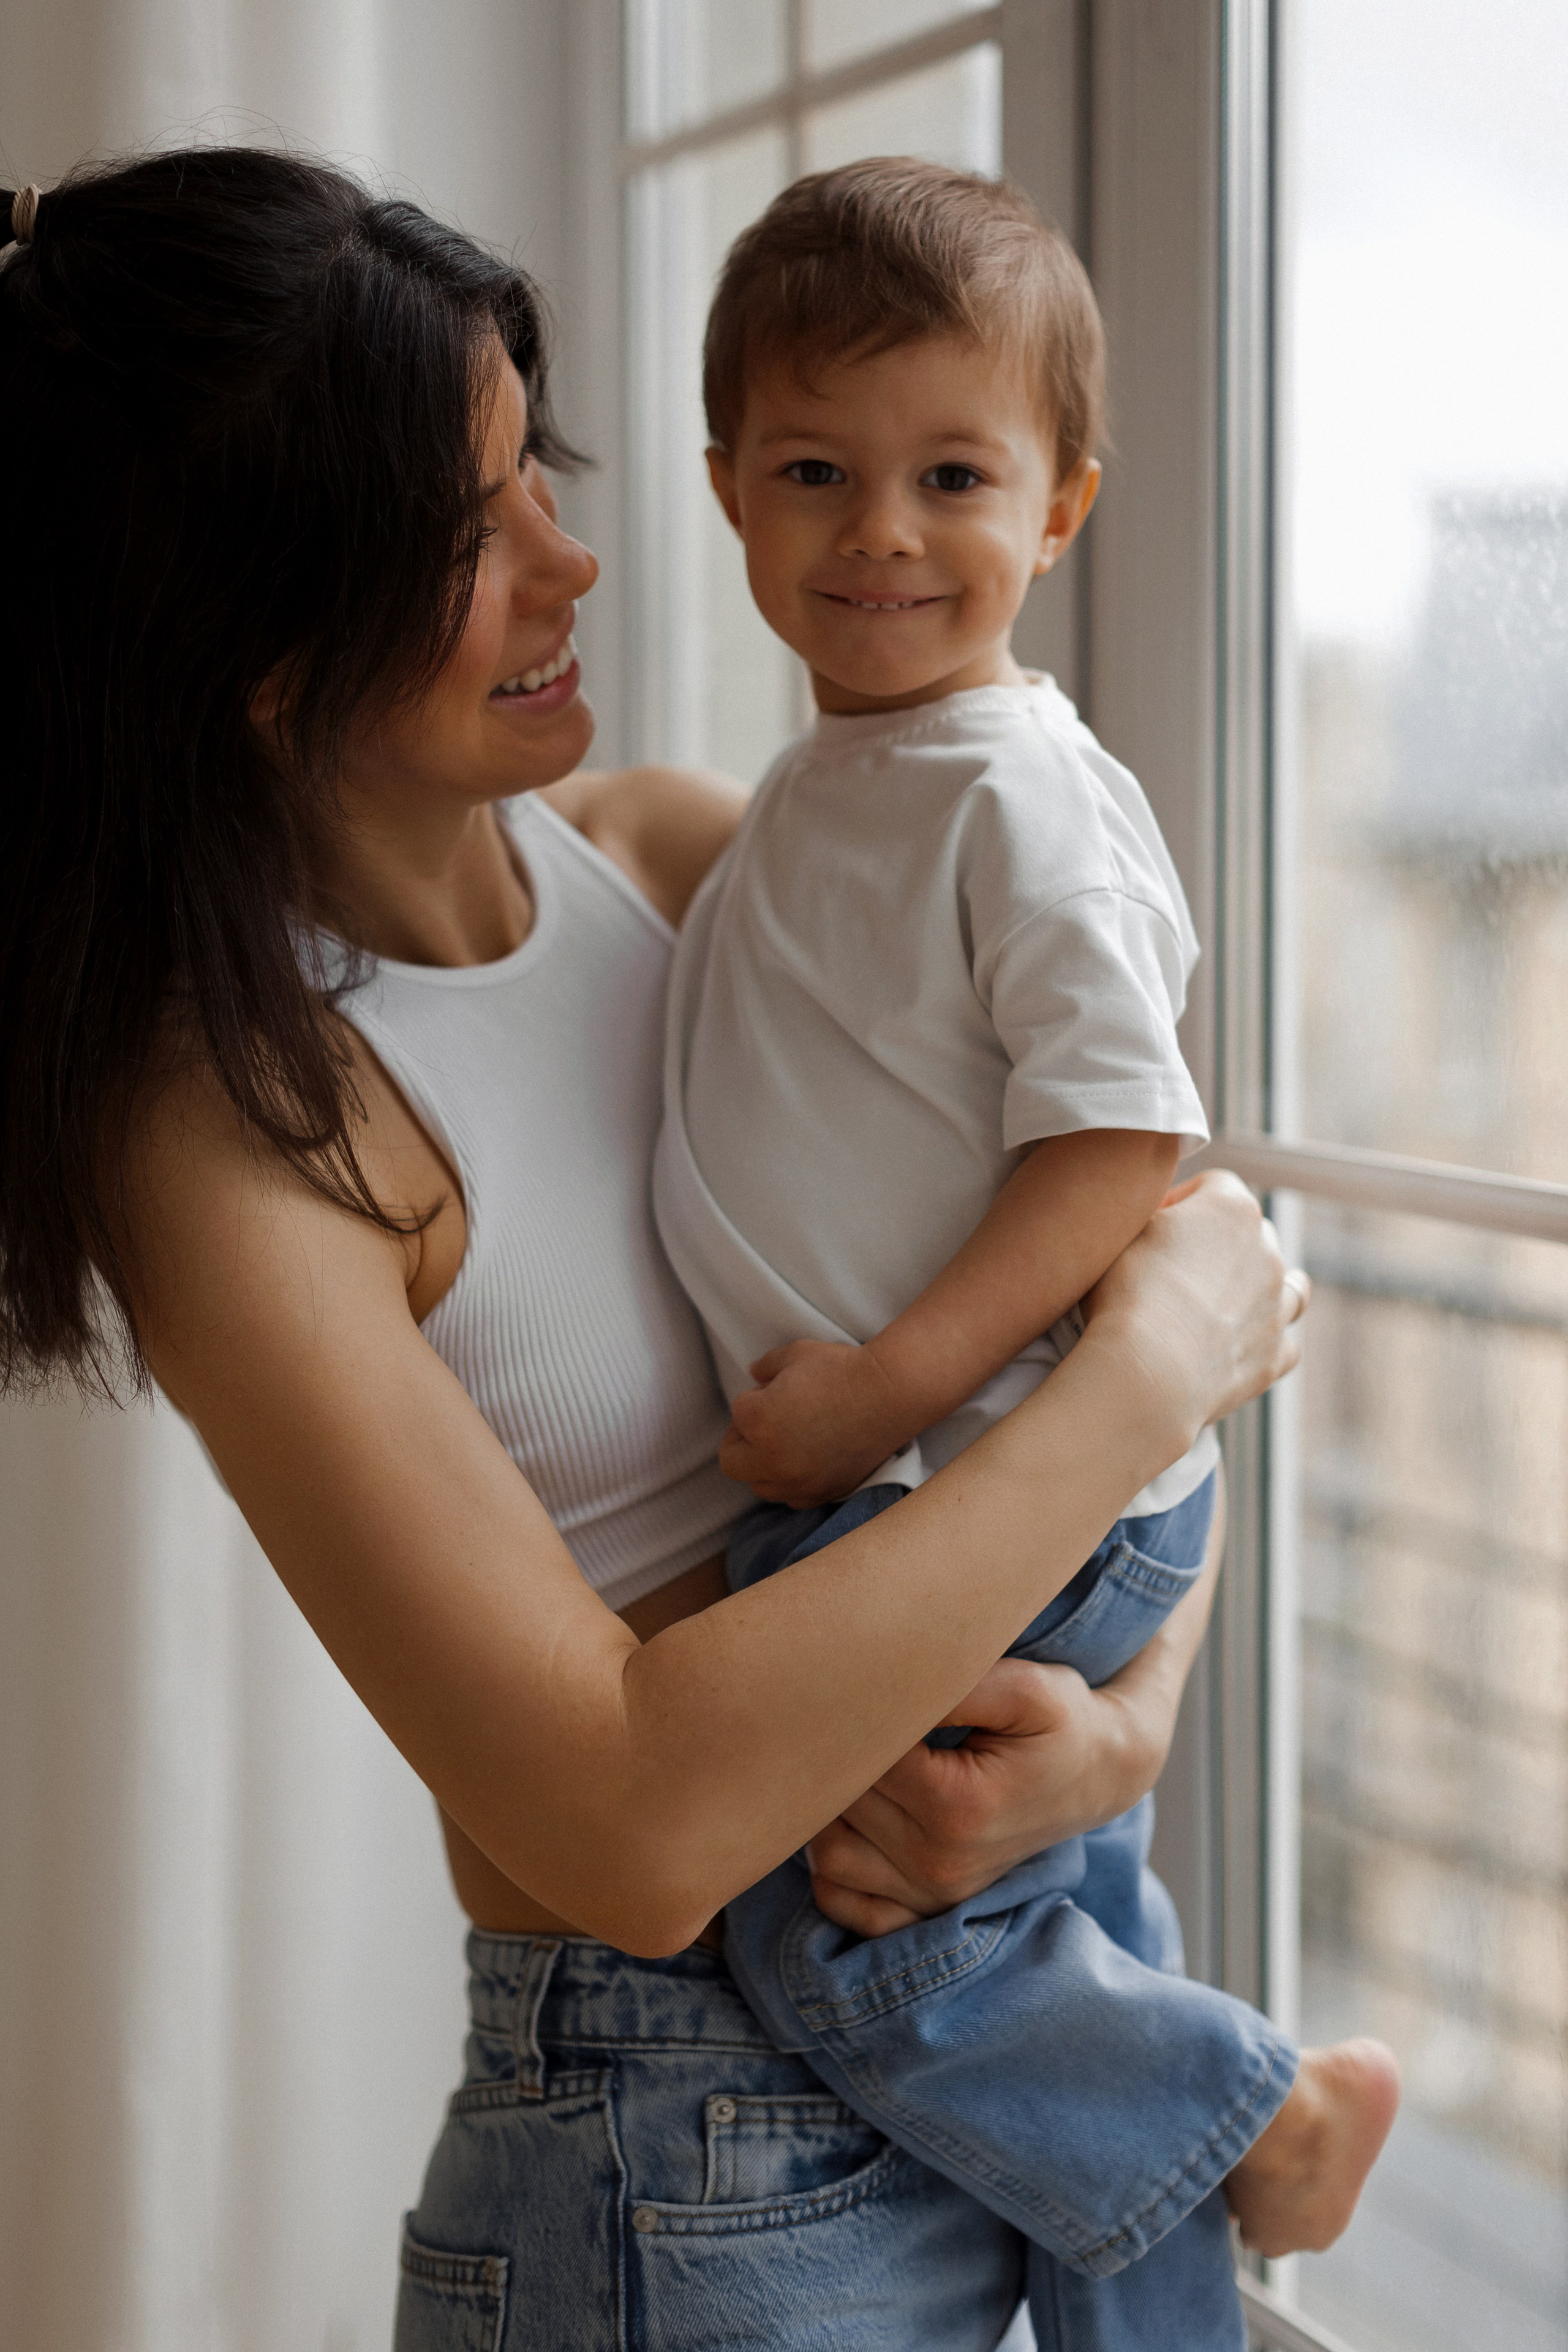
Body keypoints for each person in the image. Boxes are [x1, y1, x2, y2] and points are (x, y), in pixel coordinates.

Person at [0, 151, 1308, 2352]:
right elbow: (626, 1816)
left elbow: (1141, 1262)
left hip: (1015, 1991)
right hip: (678, 2156)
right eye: (467, 533)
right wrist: (1139, 1387)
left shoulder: (688, 869)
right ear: (242, 642)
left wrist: (1119, 1733)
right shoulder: (237, 1139)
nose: (575, 560)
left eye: (544, 475)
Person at [656, 160, 1399, 2351]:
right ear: (729, 490)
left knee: (838, 1909)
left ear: (1062, 508)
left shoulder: (1018, 796)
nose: (882, 530)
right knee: (1044, 1903)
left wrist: (887, 1386)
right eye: (819, 471)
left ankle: (1242, 2117)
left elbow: (1121, 1143)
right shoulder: (841, 779)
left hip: (976, 1465)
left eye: (952, 476)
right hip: (961, 1470)